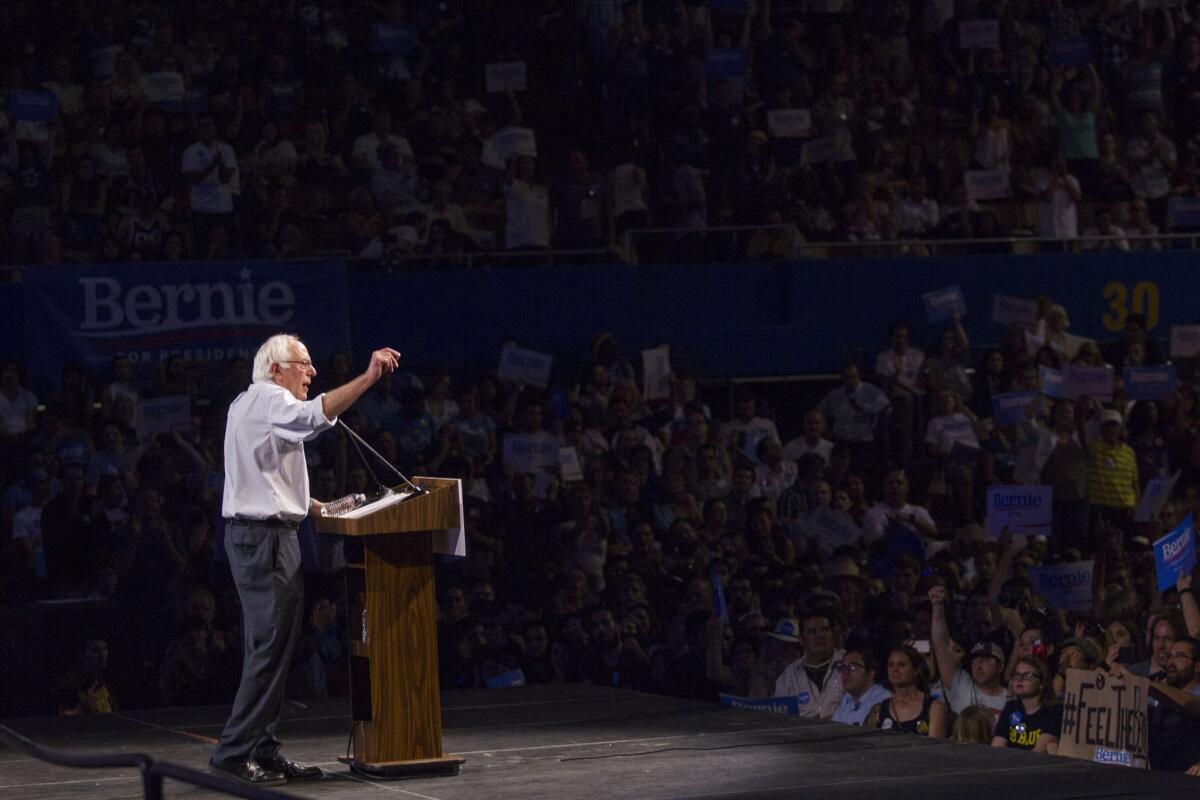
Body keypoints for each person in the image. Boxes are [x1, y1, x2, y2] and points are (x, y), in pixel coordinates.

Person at [210, 334, 401, 786]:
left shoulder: (248, 403)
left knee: (275, 649)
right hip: (264, 541)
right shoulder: (270, 399)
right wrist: (369, 377)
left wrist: (315, 507)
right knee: (269, 648)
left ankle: (263, 746)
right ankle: (233, 754)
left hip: (265, 536)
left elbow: (263, 475)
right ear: (276, 369)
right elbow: (315, 415)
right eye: (304, 364)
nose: (312, 372)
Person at [865, 644, 948, 737]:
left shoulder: (934, 708)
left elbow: (936, 749)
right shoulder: (879, 710)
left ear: (916, 670)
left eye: (901, 665)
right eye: (891, 665)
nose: (895, 669)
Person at [991, 656, 1061, 753]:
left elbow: (1039, 752)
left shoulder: (1053, 710)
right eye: (1016, 674)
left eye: (1027, 675)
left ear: (1042, 683)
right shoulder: (1011, 707)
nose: (1019, 679)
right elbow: (996, 747)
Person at [831, 648, 892, 725]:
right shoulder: (847, 697)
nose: (845, 673)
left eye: (853, 667)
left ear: (870, 674)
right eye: (843, 668)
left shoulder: (883, 699)